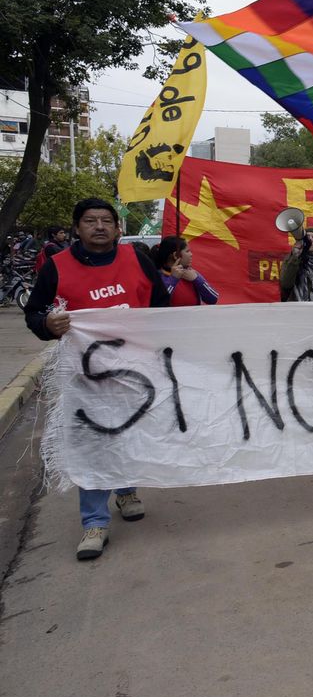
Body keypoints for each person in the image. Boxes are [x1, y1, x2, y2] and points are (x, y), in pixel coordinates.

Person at [24, 198, 170, 560]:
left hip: (135, 372)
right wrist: (48, 324)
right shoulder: (57, 267)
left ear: (118, 228)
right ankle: (94, 522)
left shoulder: (138, 260)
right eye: (91, 221)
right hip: (84, 377)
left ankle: (126, 490)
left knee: (128, 433)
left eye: (106, 220)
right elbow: (35, 313)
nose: (100, 226)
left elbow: (162, 308)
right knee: (93, 443)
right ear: (77, 228)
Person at [153, 236, 219, 305]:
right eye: (187, 251)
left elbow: (213, 299)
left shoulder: (191, 274)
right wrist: (173, 279)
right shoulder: (158, 277)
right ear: (176, 255)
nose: (191, 254)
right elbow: (158, 301)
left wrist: (197, 279)